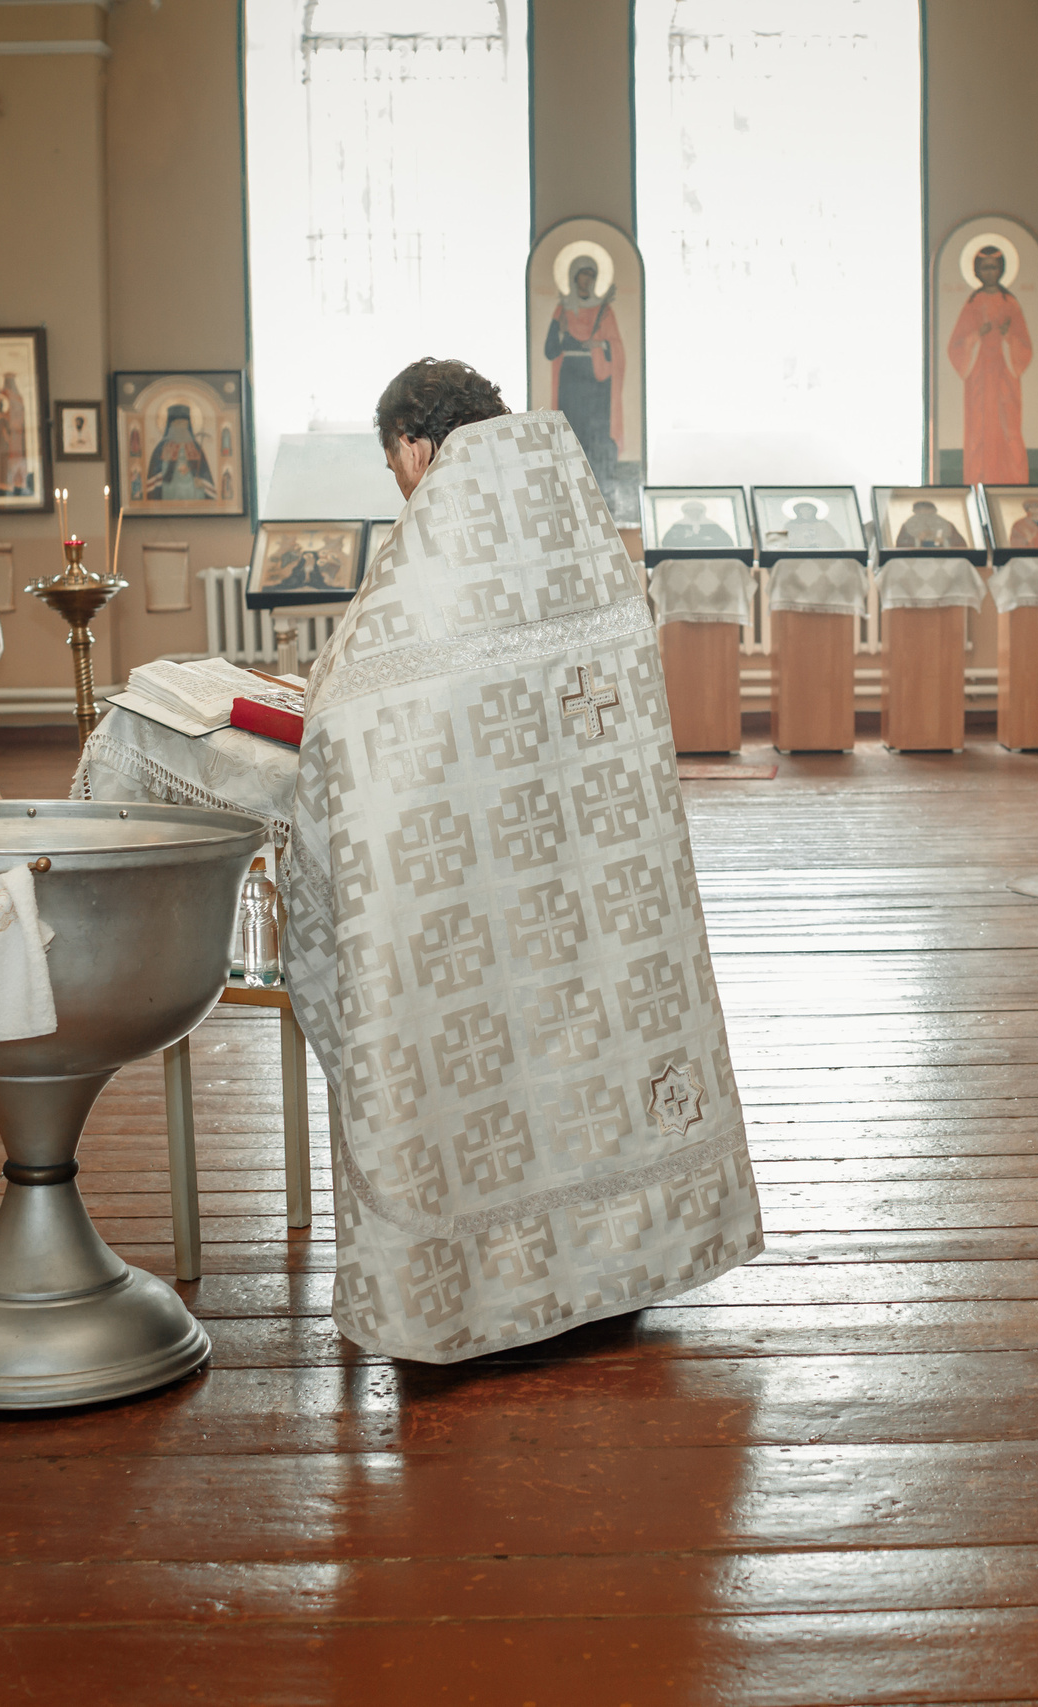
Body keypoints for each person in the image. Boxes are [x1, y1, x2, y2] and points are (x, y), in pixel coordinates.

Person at [285, 357, 765, 1362]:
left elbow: (351, 710)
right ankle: (614, 1264)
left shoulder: (447, 526)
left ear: (416, 444)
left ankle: (485, 1287)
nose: (405, 488)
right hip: (595, 857)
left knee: (482, 1056)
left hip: (463, 871)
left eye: (396, 467)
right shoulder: (565, 502)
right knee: (593, 1039)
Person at [948, 245, 1032, 483]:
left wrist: (1008, 337)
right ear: (977, 271)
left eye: (993, 267)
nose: (989, 272)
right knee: (979, 432)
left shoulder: (1010, 303)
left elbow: (1025, 346)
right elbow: (956, 345)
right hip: (979, 379)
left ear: (1001, 269)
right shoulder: (972, 304)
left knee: (1008, 431)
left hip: (1005, 377)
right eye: (984, 268)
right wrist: (976, 335)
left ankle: (1011, 485)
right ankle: (978, 483)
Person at [544, 255, 625, 494]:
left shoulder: (605, 310)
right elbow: (550, 350)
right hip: (570, 378)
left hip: (596, 379)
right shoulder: (562, 310)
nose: (586, 280)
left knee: (595, 433)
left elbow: (616, 347)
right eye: (582, 275)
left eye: (591, 275)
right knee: (573, 430)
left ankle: (597, 486)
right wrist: (561, 334)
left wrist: (598, 344)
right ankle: (571, 486)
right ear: (573, 278)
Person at [660, 500, 734, 549]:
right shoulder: (678, 526)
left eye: (696, 511)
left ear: (701, 512)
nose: (694, 513)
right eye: (691, 511)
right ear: (686, 512)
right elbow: (666, 542)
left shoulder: (711, 525)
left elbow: (727, 542)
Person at [895, 500, 966, 550]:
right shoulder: (907, 526)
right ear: (915, 511)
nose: (925, 514)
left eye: (928, 510)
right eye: (921, 510)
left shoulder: (947, 525)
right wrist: (917, 540)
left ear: (934, 511)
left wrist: (944, 541)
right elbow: (900, 546)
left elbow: (961, 545)